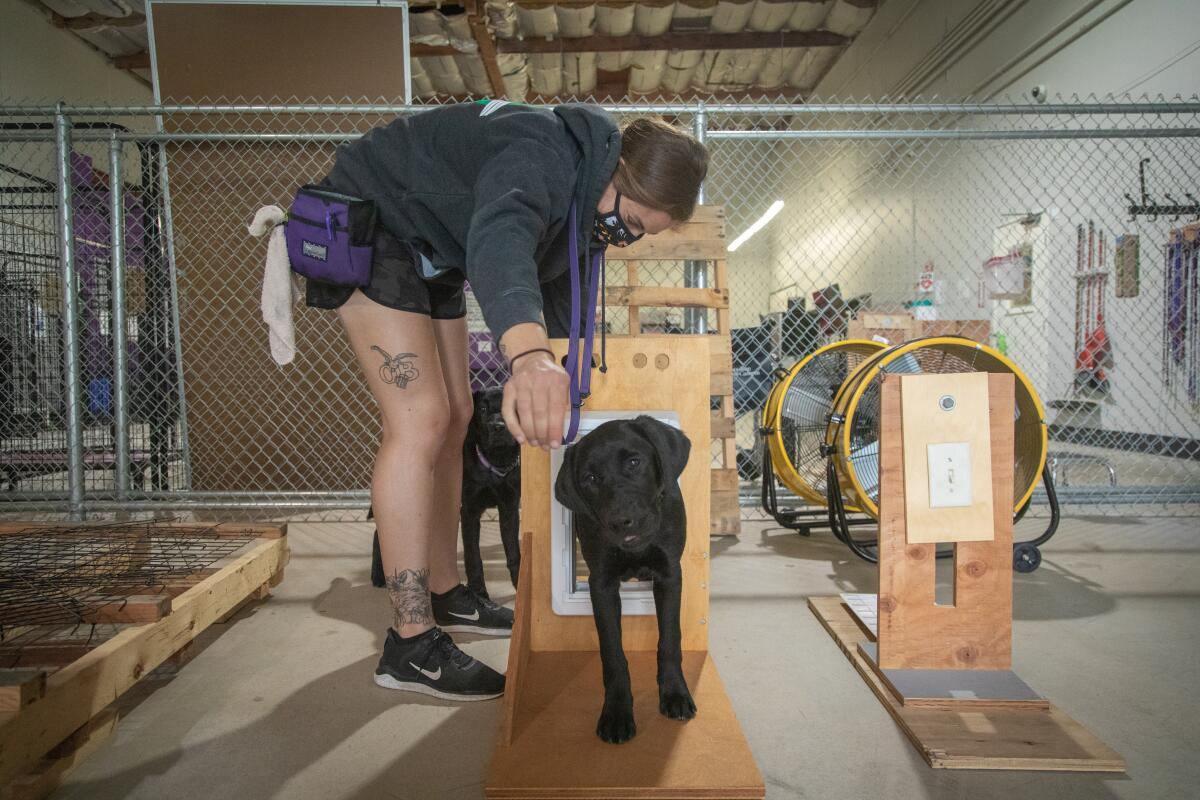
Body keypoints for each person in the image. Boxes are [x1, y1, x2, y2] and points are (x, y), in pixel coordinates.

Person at [305, 100, 709, 701]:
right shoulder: (541, 153)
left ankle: (446, 593)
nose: (625, 239)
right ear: (620, 175)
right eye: (632, 225)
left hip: (432, 246)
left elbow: (565, 280)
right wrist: (529, 357)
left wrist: (574, 365)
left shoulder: (587, 196)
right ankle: (411, 643)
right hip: (372, 220)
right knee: (420, 421)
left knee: (459, 415)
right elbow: (501, 239)